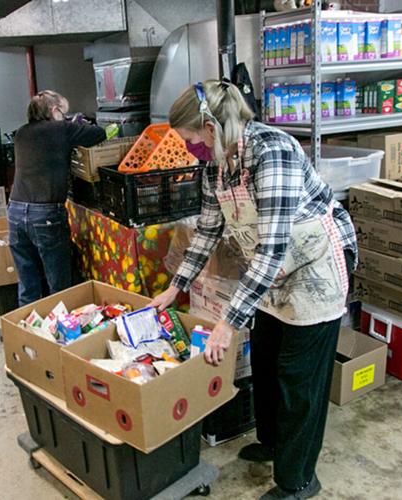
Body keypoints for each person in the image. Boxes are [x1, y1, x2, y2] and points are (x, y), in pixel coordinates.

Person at [149, 80, 358, 500]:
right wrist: (175, 288)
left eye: (190, 139)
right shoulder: (217, 163)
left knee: (299, 379)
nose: (190, 147)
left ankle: (298, 480)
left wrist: (228, 322)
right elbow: (208, 230)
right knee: (265, 360)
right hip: (272, 272)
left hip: (315, 267)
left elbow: (274, 246)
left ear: (209, 126)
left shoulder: (271, 151)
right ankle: (275, 442)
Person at [9, 90, 106, 306]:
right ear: (54, 111)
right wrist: (76, 123)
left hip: (15, 211)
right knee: (59, 285)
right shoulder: (60, 129)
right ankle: (61, 335)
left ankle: (29, 332)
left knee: (28, 283)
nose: (65, 116)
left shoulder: (21, 133)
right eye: (64, 112)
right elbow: (99, 133)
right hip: (45, 214)